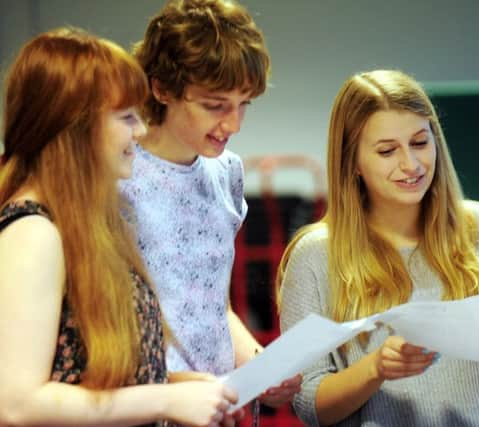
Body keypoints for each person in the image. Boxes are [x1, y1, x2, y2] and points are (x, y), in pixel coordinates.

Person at [275, 69, 479, 427]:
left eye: (420, 143)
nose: (410, 164)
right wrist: (375, 369)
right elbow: (308, 403)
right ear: (353, 162)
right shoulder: (314, 256)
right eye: (387, 150)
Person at [0, 28, 239, 427]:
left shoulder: (86, 224)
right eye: (127, 117)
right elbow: (16, 403)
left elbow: (76, 376)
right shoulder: (33, 233)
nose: (140, 131)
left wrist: (170, 385)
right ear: (75, 126)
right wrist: (161, 399)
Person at [119, 0, 301, 411]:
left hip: (220, 407)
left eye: (244, 105)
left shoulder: (227, 172)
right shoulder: (118, 175)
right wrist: (171, 386)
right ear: (161, 88)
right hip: (148, 406)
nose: (233, 124)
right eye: (215, 105)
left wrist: (260, 363)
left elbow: (210, 304)